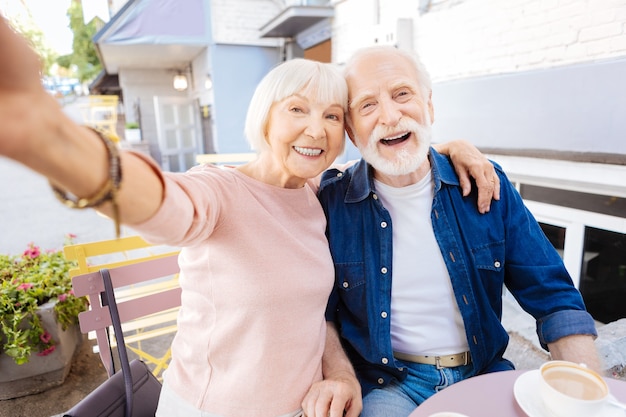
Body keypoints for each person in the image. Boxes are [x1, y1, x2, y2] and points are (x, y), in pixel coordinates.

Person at [0, 18, 499, 417]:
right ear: (264, 117)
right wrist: (58, 145)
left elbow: (317, 313)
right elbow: (168, 205)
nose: (316, 128)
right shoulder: (220, 189)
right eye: (297, 110)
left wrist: (448, 148)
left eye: (331, 116)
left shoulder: (319, 194)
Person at [318, 45, 602, 417]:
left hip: (482, 372)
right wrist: (341, 376)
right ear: (352, 130)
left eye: (402, 94)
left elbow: (554, 297)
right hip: (389, 384)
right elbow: (318, 313)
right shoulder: (331, 202)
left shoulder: (486, 185)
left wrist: (585, 393)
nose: (390, 115)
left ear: (429, 105)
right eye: (367, 105)